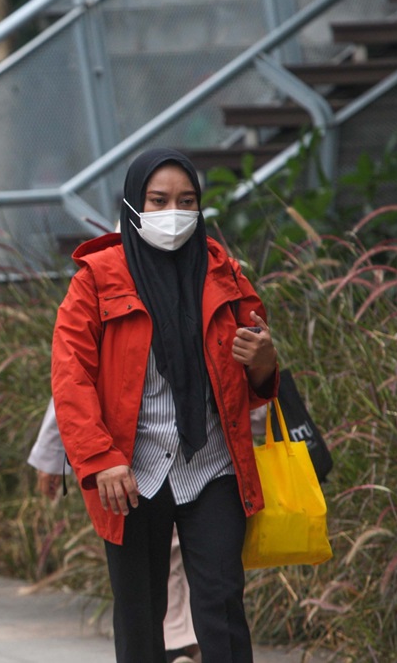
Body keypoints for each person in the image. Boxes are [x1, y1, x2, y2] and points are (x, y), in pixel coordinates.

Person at [51, 148, 279, 663]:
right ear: (133, 204)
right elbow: (71, 378)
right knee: (139, 613)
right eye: (157, 200)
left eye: (186, 200)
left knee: (222, 604)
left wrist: (265, 362)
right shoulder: (95, 278)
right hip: (130, 472)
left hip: (213, 465)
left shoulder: (224, 272)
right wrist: (100, 458)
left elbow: (253, 377)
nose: (172, 211)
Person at [28, 400, 201, 663]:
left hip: (181, 457)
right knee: (168, 553)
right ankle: (179, 643)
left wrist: (50, 457)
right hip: (137, 460)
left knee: (178, 554)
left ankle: (179, 643)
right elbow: (72, 387)